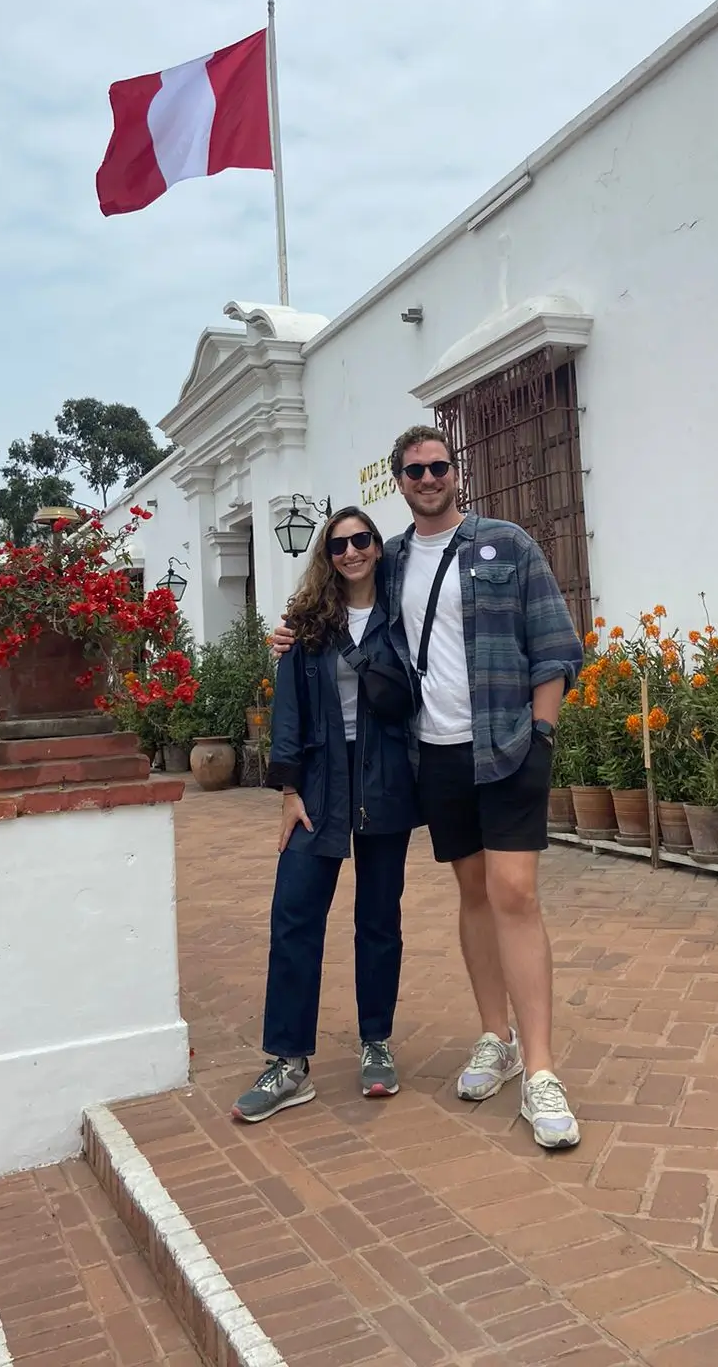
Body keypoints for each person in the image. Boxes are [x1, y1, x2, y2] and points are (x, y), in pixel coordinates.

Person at [272, 426, 584, 1148]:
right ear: (399, 481)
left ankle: (540, 1070)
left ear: (457, 472)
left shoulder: (508, 544)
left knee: (515, 893)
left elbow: (555, 645)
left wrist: (542, 734)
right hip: (432, 756)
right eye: (414, 470)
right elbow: (340, 613)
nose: (428, 477)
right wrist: (287, 636)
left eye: (439, 465)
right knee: (473, 894)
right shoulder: (393, 560)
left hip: (506, 746)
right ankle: (494, 1038)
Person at [232, 506, 419, 1124]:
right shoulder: (306, 623)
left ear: (376, 547)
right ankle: (288, 1060)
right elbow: (287, 711)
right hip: (318, 778)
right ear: (327, 555)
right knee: (294, 916)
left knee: (378, 918)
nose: (352, 552)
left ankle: (376, 1042)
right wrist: (288, 791)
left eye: (362, 540)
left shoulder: (401, 616)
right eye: (338, 544)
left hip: (385, 774)